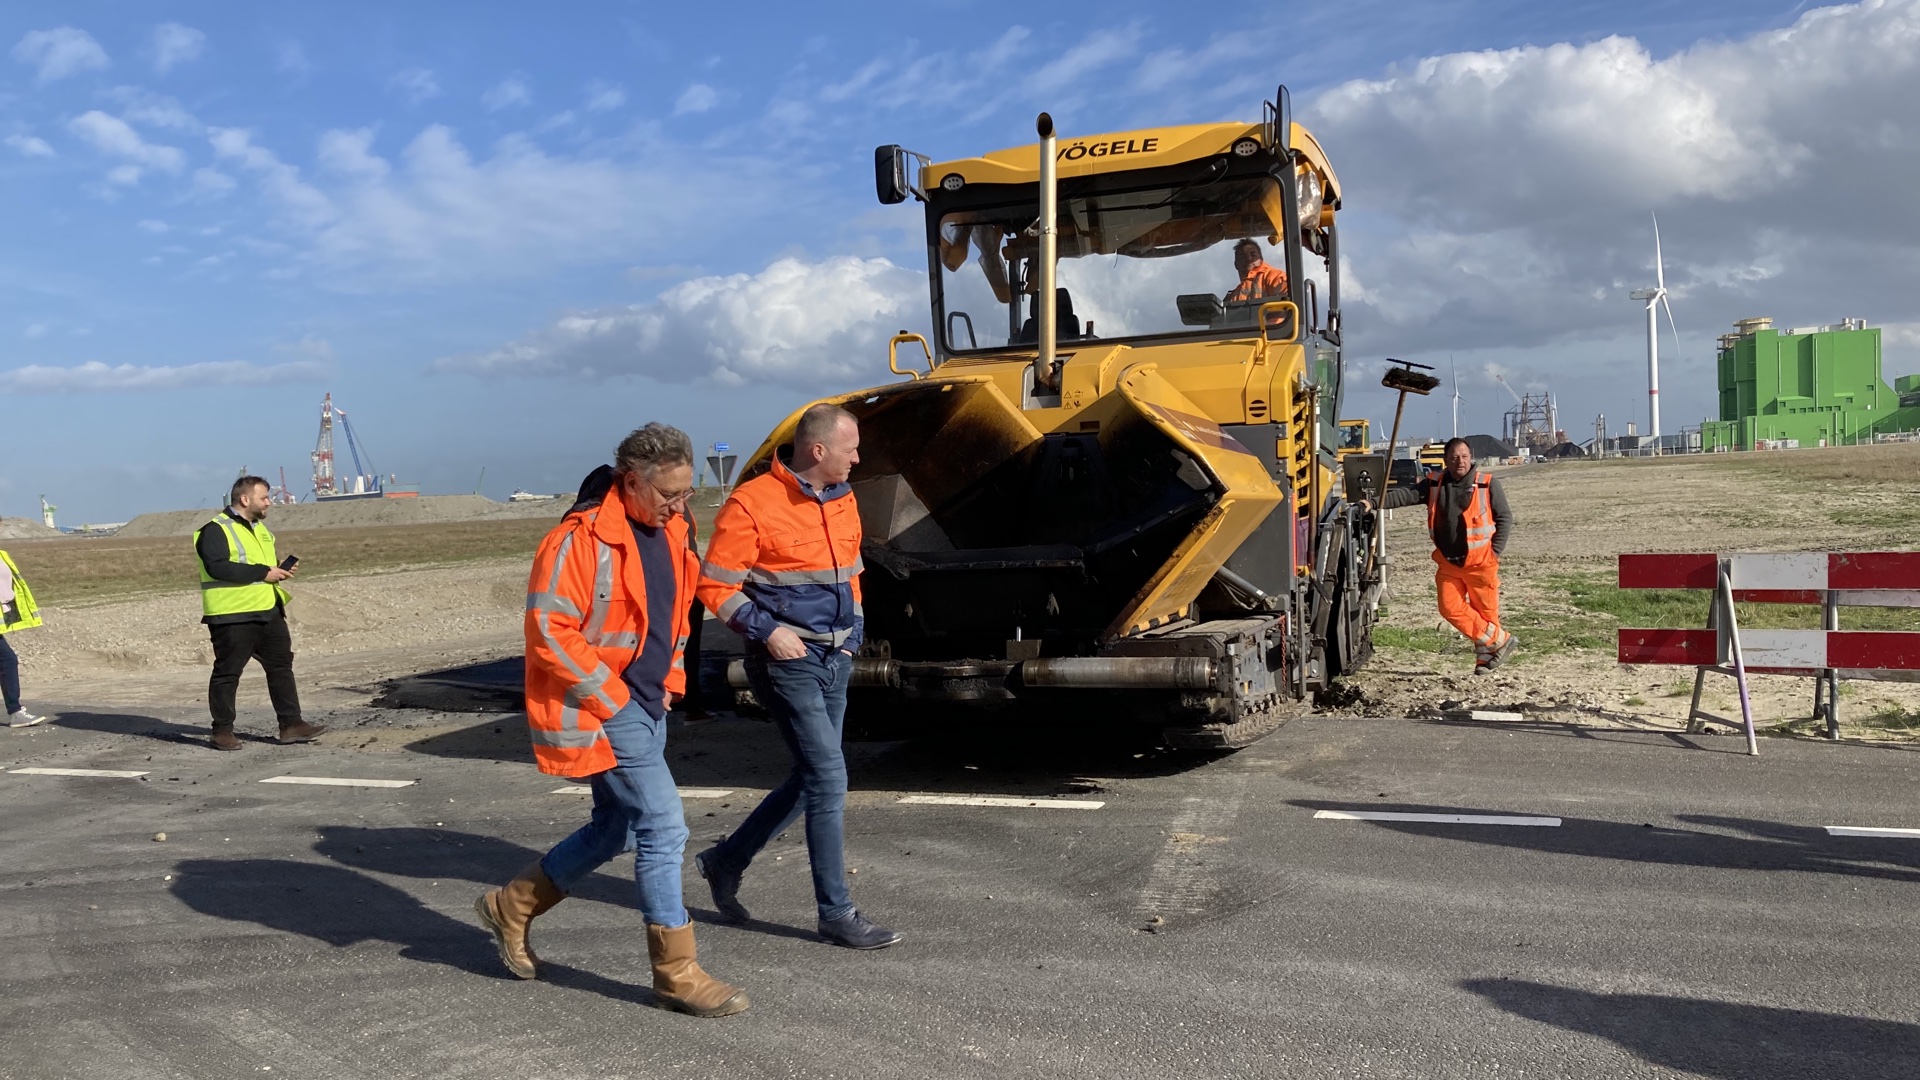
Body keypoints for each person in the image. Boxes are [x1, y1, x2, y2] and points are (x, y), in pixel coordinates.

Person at [475, 424, 748, 1018]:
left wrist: (669, 683)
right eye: (668, 495)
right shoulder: (576, 541)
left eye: (686, 493)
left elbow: (672, 618)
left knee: (614, 828)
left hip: (648, 703)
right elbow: (549, 631)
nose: (679, 506)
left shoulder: (675, 529)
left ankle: (512, 905)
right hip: (608, 704)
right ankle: (676, 975)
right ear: (630, 482)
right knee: (663, 827)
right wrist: (615, 699)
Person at [693, 403, 901, 951]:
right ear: (818, 449)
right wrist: (769, 632)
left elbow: (852, 574)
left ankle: (726, 860)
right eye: (850, 448)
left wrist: (854, 635)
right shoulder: (752, 503)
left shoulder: (843, 498)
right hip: (786, 662)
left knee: (812, 779)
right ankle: (836, 913)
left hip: (836, 658)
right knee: (828, 780)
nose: (858, 458)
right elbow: (714, 586)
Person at [1362, 437, 1516, 674]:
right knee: (1449, 607)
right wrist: (1373, 503)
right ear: (1445, 460)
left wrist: (1494, 552)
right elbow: (1405, 495)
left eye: (1464, 457)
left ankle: (1485, 660)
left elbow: (1504, 517)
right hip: (1448, 562)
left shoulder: (1487, 484)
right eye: (1454, 458)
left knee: (1485, 614)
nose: (1460, 461)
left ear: (1471, 457)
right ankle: (1500, 640)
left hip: (1481, 563)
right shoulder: (1434, 484)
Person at [194, 477, 327, 750]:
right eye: (264, 498)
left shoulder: (261, 530)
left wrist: (278, 568)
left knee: (281, 668)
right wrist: (265, 573)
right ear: (245, 499)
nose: (269, 503)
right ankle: (222, 731)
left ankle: (291, 724)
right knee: (228, 673)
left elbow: (256, 564)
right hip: (232, 615)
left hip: (268, 610)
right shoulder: (214, 530)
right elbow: (217, 567)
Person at [1, 544, 47, 727]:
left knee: (7, 660)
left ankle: (15, 711)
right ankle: (15, 711)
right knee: (7, 660)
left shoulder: (2, 555)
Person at [1225, 238, 1288, 305]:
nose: (1249, 259)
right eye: (1243, 256)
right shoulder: (1233, 296)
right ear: (1236, 264)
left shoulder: (1275, 277)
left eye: (1253, 255)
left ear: (1261, 259)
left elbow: (1287, 301)